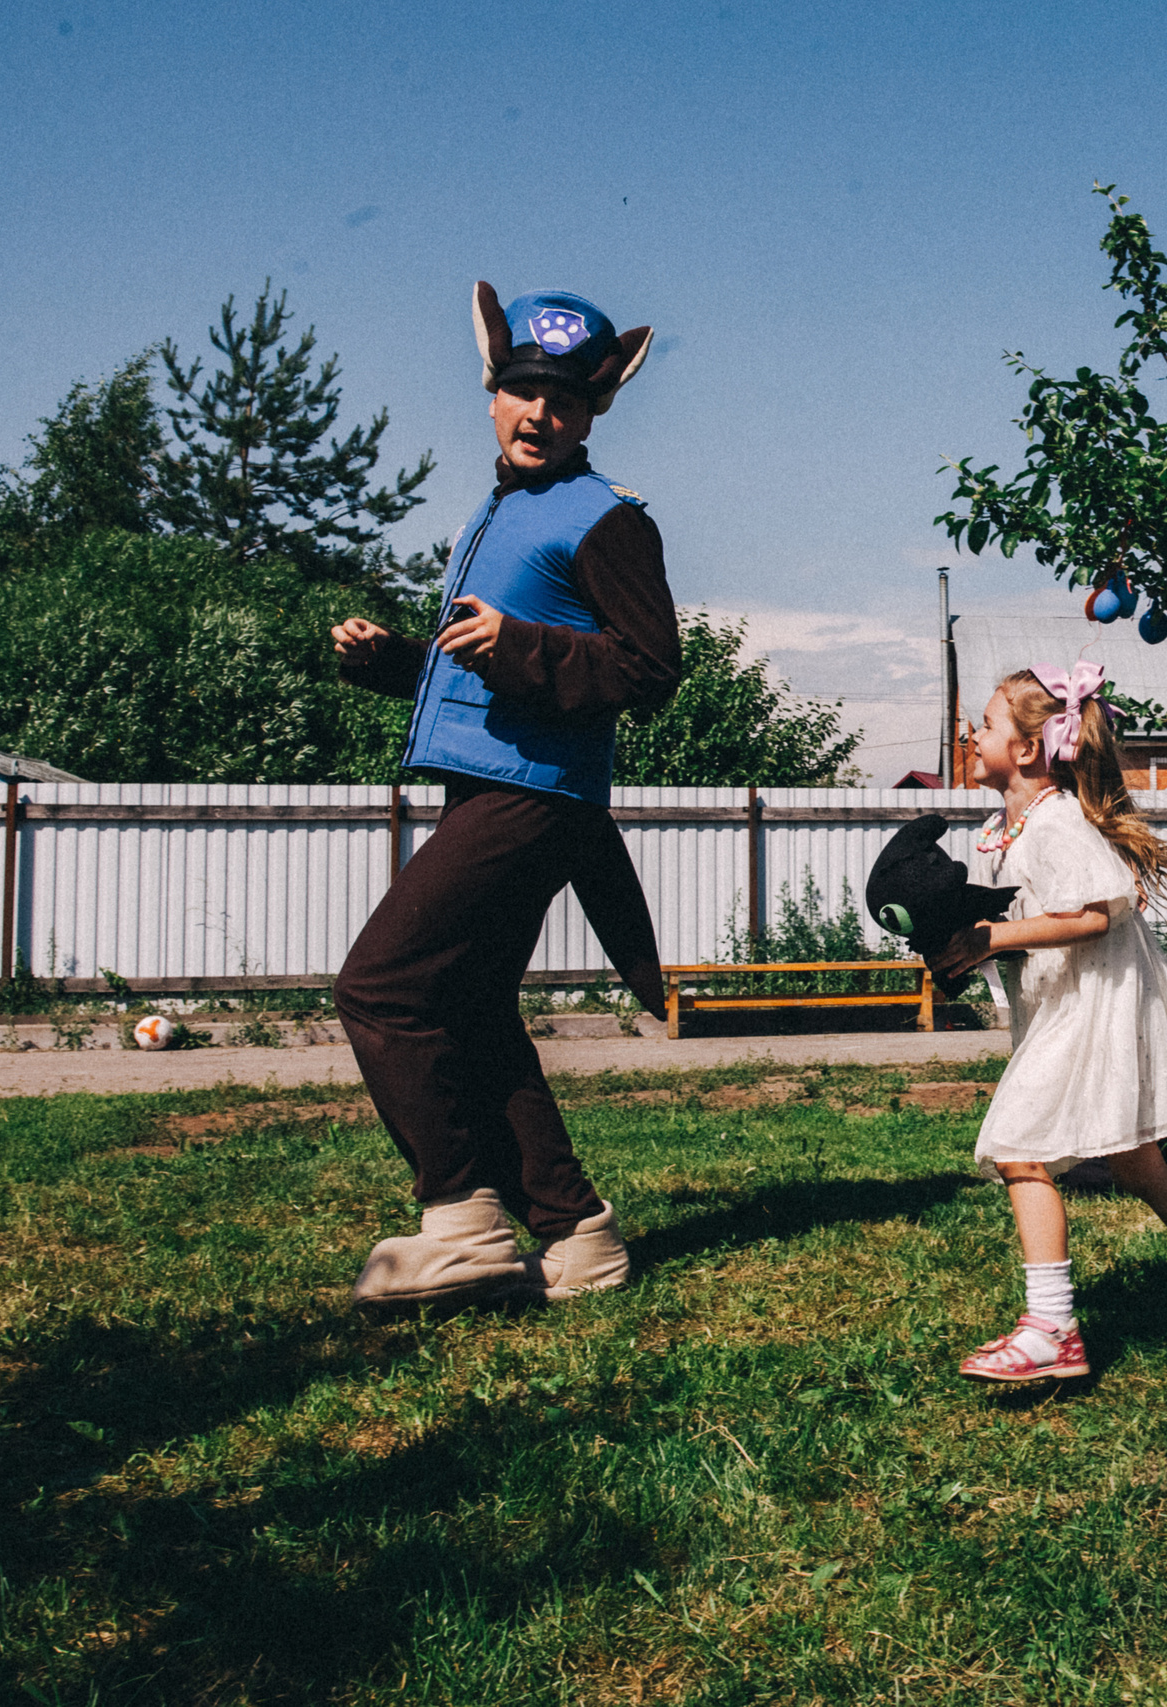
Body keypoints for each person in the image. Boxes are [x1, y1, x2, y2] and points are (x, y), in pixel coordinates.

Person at [329, 284, 679, 1309]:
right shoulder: (503, 511)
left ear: (594, 410)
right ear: (492, 392)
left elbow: (650, 668)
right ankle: (577, 1236)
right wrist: (398, 661)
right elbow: (484, 668)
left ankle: (462, 1217)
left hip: (534, 796)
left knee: (382, 989)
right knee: (472, 1010)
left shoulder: (606, 522)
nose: (540, 415)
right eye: (523, 392)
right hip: (491, 783)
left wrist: (519, 643)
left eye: (563, 401)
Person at [931, 663, 1167, 1381]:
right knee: (1139, 1162)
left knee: (1018, 1146)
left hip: (1091, 1010)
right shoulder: (1018, 823)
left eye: (989, 726)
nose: (974, 735)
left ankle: (1051, 1328)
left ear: (1028, 749)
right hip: (1071, 1005)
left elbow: (1094, 914)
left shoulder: (1057, 819)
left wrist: (991, 939)